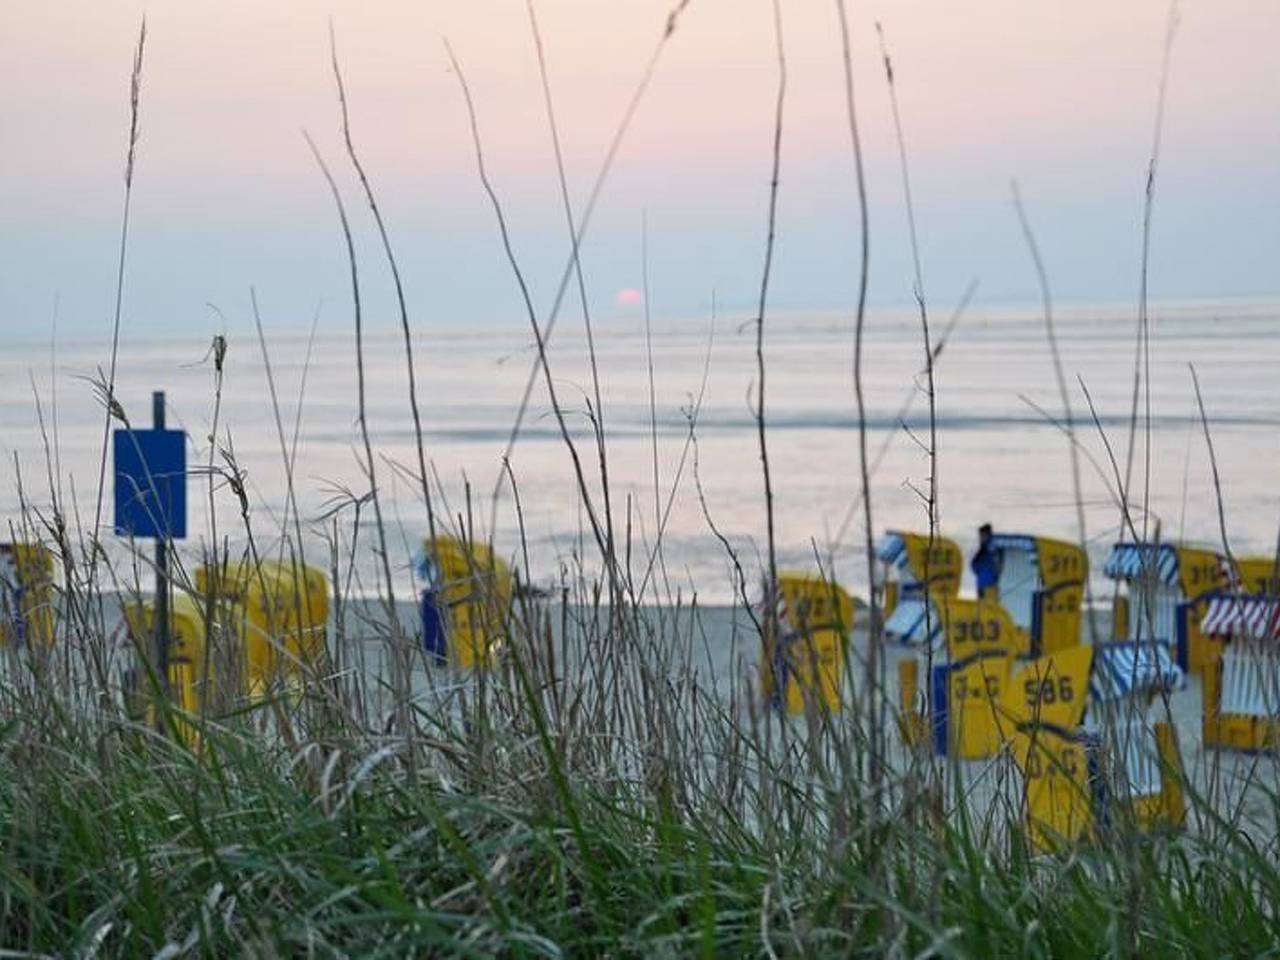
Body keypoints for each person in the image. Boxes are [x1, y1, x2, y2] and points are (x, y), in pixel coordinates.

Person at [971, 523, 1000, 600]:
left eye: (981, 535)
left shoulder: (989, 548)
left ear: (986, 534)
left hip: (988, 584)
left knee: (986, 607)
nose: (979, 538)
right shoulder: (985, 547)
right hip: (983, 583)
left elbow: (995, 566)